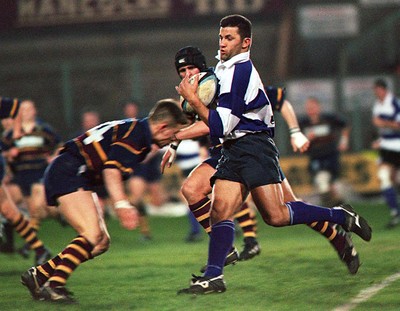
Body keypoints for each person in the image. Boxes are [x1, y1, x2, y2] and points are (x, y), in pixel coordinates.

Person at [175, 14, 371, 294]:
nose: (222, 43)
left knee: (277, 215)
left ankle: (340, 217)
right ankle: (214, 276)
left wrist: (194, 101)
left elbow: (221, 126)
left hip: (255, 147)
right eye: (220, 37)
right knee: (219, 211)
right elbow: (219, 126)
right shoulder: (222, 69)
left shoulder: (241, 71)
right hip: (234, 149)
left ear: (246, 43)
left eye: (229, 38)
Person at [20, 99, 188, 303]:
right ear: (162, 127)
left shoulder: (137, 128)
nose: (173, 139)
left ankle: (39, 275)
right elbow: (111, 171)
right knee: (91, 234)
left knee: (100, 242)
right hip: (70, 171)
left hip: (75, 171)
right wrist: (122, 204)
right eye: (172, 134)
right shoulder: (136, 136)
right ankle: (54, 285)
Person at [164, 46, 261, 261]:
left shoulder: (212, 85)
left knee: (280, 212)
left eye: (191, 67)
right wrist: (173, 145)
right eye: (182, 70)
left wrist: (175, 138)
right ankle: (226, 249)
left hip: (246, 150)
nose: (187, 73)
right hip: (222, 153)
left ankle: (336, 218)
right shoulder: (192, 90)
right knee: (192, 190)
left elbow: (213, 125)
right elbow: (190, 122)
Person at [1, 100, 62, 260]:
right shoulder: (10, 132)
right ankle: (36, 247)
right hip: (20, 175)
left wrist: (53, 158)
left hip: (39, 173)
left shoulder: (43, 129)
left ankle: (35, 247)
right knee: (12, 208)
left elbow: (59, 145)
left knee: (27, 208)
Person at [123, 101, 169, 241]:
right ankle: (145, 232)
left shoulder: (146, 124)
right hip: (138, 166)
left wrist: (148, 155)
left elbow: (157, 144)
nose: (130, 111)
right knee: (136, 198)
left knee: (159, 201)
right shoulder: (123, 126)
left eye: (132, 108)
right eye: (128, 109)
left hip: (151, 165)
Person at [299, 97, 350, 207]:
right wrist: (307, 138)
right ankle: (336, 209)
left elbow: (344, 125)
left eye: (313, 107)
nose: (311, 110)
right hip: (315, 157)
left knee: (328, 184)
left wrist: (344, 141)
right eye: (308, 108)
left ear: (318, 107)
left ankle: (335, 209)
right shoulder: (303, 123)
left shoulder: (329, 119)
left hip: (331, 156)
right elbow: (298, 141)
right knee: (322, 185)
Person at [372, 78, 400, 228]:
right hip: (387, 147)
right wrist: (380, 140)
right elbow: (382, 128)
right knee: (384, 177)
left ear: (384, 90)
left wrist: (383, 123)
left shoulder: (395, 103)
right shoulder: (377, 105)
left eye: (378, 90)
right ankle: (395, 213)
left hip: (398, 146)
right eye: (375, 91)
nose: (377, 93)